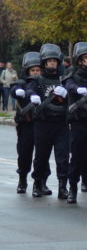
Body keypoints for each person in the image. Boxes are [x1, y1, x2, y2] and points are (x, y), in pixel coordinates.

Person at [26, 44, 69, 199]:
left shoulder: (63, 80)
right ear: (44, 63)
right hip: (43, 123)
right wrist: (32, 95)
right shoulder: (38, 80)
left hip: (60, 124)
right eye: (49, 61)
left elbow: (72, 94)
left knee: (63, 157)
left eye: (54, 61)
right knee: (41, 156)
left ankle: (63, 186)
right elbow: (29, 88)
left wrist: (68, 93)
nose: (52, 63)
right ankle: (38, 183)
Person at [62, 42, 87, 203]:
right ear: (80, 61)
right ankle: (73, 188)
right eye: (86, 58)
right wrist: (77, 89)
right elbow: (68, 85)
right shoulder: (73, 75)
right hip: (78, 122)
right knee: (76, 157)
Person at [10, 52, 41, 194]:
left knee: (41, 155)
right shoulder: (22, 82)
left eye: (38, 70)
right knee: (24, 153)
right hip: (26, 124)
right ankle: (22, 179)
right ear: (28, 71)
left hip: (42, 123)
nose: (35, 73)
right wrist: (19, 92)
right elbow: (14, 90)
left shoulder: (44, 83)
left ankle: (40, 182)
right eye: (32, 70)